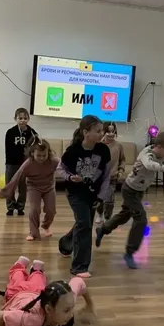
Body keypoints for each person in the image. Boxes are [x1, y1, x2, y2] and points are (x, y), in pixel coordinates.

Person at [96, 131, 164, 269]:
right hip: (130, 190)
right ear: (159, 147)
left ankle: (103, 229)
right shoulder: (146, 155)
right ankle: (129, 252)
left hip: (138, 191)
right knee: (141, 219)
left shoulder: (163, 152)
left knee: (124, 215)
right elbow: (151, 165)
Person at [0, 256, 95, 326]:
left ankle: (37, 269)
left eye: (72, 308)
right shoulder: (32, 318)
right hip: (17, 293)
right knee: (16, 278)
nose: (71, 314)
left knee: (38, 279)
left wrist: (89, 305)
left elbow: (78, 281)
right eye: (66, 310)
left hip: (37, 292)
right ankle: (19, 265)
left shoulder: (67, 299)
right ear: (48, 309)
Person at [58, 115, 111, 278]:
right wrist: (69, 177)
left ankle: (66, 243)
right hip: (75, 193)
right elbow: (60, 169)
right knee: (85, 225)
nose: (102, 134)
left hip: (93, 195)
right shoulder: (73, 151)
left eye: (102, 131)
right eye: (98, 131)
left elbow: (106, 176)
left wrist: (101, 197)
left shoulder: (103, 151)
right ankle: (79, 267)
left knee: (83, 223)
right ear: (85, 132)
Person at [0, 136, 59, 241]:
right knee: (34, 209)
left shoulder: (53, 161)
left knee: (51, 210)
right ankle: (33, 232)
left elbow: (65, 167)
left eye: (44, 155)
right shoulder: (28, 164)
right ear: (32, 153)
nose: (41, 158)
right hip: (34, 187)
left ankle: (46, 225)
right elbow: (16, 177)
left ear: (48, 153)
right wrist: (6, 191)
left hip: (49, 187)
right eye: (38, 155)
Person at [4, 108, 38, 217]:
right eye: (20, 118)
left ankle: (20, 207)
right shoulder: (10, 132)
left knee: (23, 187)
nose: (22, 120)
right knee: (10, 185)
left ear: (28, 119)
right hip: (11, 163)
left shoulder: (32, 133)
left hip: (25, 164)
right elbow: (8, 148)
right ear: (15, 119)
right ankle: (10, 207)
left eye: (25, 118)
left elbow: (35, 147)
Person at [95, 121, 126, 226]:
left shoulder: (119, 146)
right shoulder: (98, 145)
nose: (111, 134)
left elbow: (122, 160)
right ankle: (100, 214)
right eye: (108, 131)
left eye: (113, 131)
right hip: (99, 178)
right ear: (103, 132)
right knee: (99, 199)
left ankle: (107, 218)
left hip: (112, 178)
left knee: (109, 201)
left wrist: (121, 170)